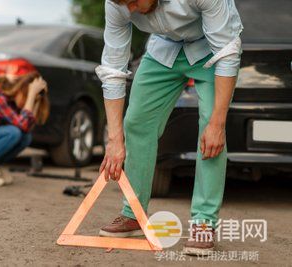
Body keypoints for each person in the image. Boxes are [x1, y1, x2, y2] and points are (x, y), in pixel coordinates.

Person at [96, 0, 243, 255]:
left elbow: (228, 53)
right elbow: (112, 69)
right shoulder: (117, 4)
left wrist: (218, 123)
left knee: (210, 128)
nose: (129, 9)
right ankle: (133, 214)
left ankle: (204, 223)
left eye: (133, 1)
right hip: (163, 49)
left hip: (212, 49)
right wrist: (114, 138)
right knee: (136, 122)